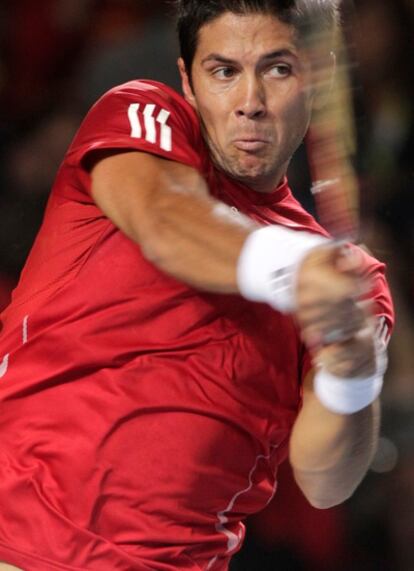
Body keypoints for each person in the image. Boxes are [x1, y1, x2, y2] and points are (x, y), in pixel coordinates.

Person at [0, 1, 394, 570]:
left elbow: (325, 481)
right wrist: (292, 267)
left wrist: (353, 373)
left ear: (316, 73)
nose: (250, 103)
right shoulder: (142, 116)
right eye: (224, 71)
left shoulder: (352, 283)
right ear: (188, 80)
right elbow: (165, 218)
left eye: (277, 69)